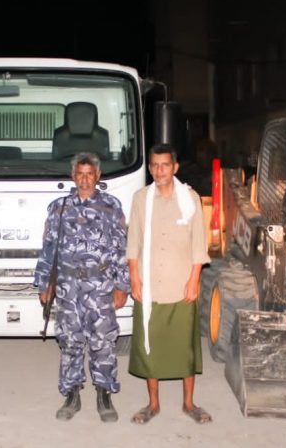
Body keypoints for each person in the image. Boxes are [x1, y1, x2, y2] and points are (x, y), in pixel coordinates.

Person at [34, 152, 130, 422]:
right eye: (80, 174)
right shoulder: (59, 207)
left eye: (90, 174)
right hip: (68, 286)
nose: (85, 179)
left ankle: (104, 394)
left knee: (103, 342)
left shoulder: (111, 206)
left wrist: (122, 285)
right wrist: (44, 282)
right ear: (72, 176)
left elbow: (121, 248)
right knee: (70, 341)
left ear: (98, 176)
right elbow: (48, 248)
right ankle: (71, 394)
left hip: (100, 286)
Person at [126, 143, 212, 425]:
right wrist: (134, 278)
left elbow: (199, 244)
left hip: (180, 285)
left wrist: (194, 280)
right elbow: (133, 242)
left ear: (175, 167)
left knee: (184, 348)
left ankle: (189, 404)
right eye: (154, 165)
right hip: (150, 286)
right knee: (151, 349)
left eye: (164, 165)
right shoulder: (141, 198)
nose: (159, 170)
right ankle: (153, 404)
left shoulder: (190, 198)